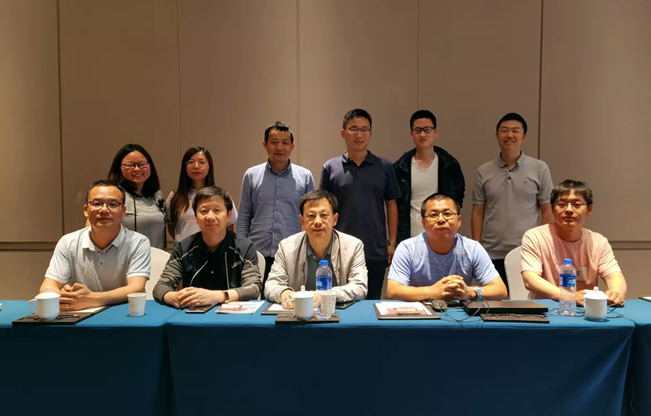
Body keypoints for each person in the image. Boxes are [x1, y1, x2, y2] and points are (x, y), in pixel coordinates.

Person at [320, 109, 401, 299]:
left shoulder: (384, 166)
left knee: (371, 301)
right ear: (343, 133)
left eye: (364, 129)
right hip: (339, 249)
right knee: (338, 300)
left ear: (370, 133)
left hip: (374, 248)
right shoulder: (331, 167)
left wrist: (392, 243)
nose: (359, 135)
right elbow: (324, 209)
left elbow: (391, 205)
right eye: (353, 129)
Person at [472, 113, 553, 292]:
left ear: (524, 136)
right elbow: (478, 211)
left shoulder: (540, 168)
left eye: (515, 131)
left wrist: (544, 244)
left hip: (528, 252)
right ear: (497, 136)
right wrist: (476, 247)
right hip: (491, 252)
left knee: (526, 302)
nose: (509, 135)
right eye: (504, 131)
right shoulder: (484, 171)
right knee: (495, 302)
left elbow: (547, 209)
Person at [40, 180, 150, 311]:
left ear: (123, 211)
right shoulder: (68, 242)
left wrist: (93, 299)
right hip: (80, 313)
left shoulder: (138, 242)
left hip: (124, 313)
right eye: (97, 204)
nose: (104, 210)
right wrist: (64, 298)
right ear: (86, 210)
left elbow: (136, 288)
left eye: (113, 204)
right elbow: (48, 285)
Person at [521, 180, 627, 306]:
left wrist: (615, 292)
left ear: (590, 209)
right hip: (545, 308)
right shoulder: (535, 237)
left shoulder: (598, 242)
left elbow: (614, 276)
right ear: (552, 208)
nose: (569, 210)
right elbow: (530, 279)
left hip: (586, 310)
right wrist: (569, 296)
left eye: (576, 204)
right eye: (562, 204)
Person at [154, 186, 262, 308]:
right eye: (204, 211)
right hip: (193, 313)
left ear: (228, 215)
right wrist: (174, 297)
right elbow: (160, 287)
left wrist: (216, 296)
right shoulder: (183, 248)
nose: (210, 217)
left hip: (233, 314)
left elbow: (253, 288)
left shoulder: (244, 247)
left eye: (217, 210)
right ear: (196, 216)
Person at [387, 193, 507, 302]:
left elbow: (500, 290)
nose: (441, 219)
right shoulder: (407, 248)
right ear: (424, 223)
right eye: (434, 215)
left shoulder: (473, 248)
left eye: (447, 214)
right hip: (421, 314)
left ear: (459, 220)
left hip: (461, 314)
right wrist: (432, 292)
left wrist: (470, 292)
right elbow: (393, 291)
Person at [237, 121, 314, 290]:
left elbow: (311, 217)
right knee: (255, 298)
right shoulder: (251, 175)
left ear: (292, 146)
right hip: (257, 253)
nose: (279, 147)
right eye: (274, 142)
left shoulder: (305, 176)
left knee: (289, 299)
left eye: (285, 142)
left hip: (292, 254)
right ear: (265, 144)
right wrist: (242, 250)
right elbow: (244, 216)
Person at [264, 190, 368, 306]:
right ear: (302, 221)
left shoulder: (353, 246)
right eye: (311, 216)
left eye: (324, 215)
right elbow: (271, 285)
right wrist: (283, 292)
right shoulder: (286, 247)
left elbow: (359, 288)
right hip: (299, 314)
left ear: (335, 219)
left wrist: (325, 295)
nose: (318, 221)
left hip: (336, 312)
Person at [394, 110, 465, 244]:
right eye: (418, 130)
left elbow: (458, 197)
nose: (422, 134)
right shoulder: (400, 167)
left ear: (435, 132)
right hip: (410, 237)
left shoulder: (450, 165)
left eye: (427, 129)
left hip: (442, 234)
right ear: (411, 134)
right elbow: (396, 206)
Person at [166, 147, 238, 244]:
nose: (196, 166)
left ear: (209, 166)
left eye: (201, 162)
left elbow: (228, 228)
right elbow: (172, 227)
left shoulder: (222, 196)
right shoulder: (175, 196)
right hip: (184, 250)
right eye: (191, 162)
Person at [107, 144, 167, 249]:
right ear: (119, 168)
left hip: (155, 257)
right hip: (124, 257)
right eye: (130, 165)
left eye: (142, 164)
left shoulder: (156, 195)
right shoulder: (113, 194)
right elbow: (95, 229)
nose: (137, 169)